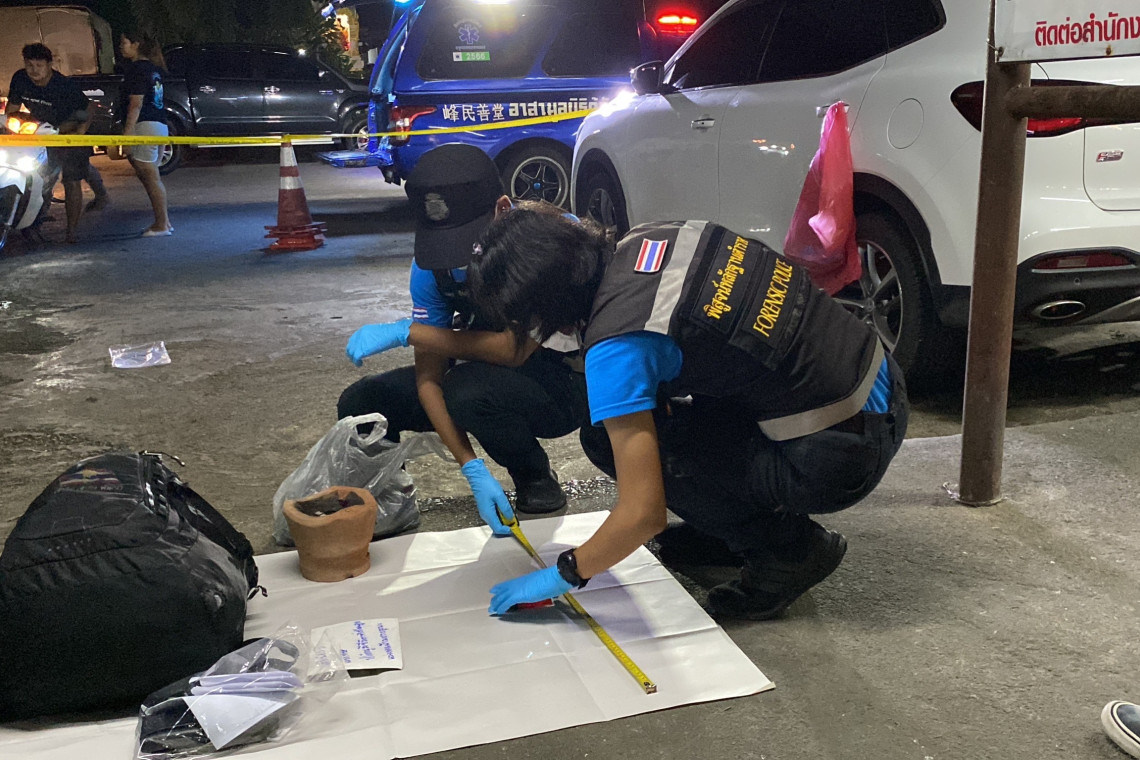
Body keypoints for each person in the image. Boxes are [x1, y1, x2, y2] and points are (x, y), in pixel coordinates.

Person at [466, 213, 909, 619]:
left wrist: (565, 573)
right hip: (880, 383)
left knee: (609, 441)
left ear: (547, 307)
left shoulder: (617, 347)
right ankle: (727, 531)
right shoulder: (658, 236)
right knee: (666, 416)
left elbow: (643, 513)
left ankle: (788, 552)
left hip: (839, 455)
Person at [339, 143, 589, 535]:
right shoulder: (432, 269)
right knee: (364, 402)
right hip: (483, 370)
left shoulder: (551, 243)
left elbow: (513, 350)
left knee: (467, 389)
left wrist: (409, 333)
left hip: (566, 384)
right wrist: (471, 467)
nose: (458, 258)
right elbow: (429, 377)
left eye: (468, 241)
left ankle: (533, 475)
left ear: (502, 209)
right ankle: (387, 500)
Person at [5, 43, 93, 244]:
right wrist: (8, 129)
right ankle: (32, 225)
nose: (34, 70)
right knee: (39, 180)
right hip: (42, 132)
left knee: (71, 180)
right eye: (29, 65)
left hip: (69, 133)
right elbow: (12, 109)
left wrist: (79, 133)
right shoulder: (20, 79)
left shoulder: (64, 86)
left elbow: (88, 110)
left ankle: (71, 232)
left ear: (49, 65)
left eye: (39, 65)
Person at [118, 32, 172, 237]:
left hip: (144, 126)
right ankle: (164, 222)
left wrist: (127, 134)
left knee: (150, 177)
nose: (121, 47)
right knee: (150, 175)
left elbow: (136, 103)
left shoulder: (137, 69)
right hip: (159, 124)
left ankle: (162, 224)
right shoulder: (153, 69)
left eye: (124, 42)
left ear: (136, 44)